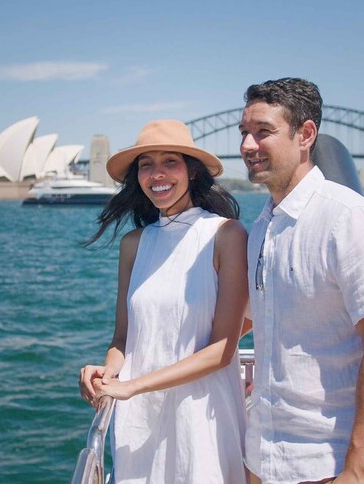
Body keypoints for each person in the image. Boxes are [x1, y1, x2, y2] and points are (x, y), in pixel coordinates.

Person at [238, 78, 364, 484]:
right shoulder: (262, 226)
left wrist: (359, 469)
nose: (246, 145)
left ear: (306, 135)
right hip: (263, 457)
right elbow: (251, 319)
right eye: (244, 132)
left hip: (327, 462)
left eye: (263, 132)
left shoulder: (349, 219)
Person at [79, 119, 249, 483]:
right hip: (139, 419)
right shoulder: (134, 244)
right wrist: (107, 371)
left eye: (170, 161)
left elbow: (222, 349)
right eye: (146, 164)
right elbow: (123, 339)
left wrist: (132, 385)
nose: (157, 173)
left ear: (191, 171)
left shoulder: (225, 235)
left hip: (201, 417)